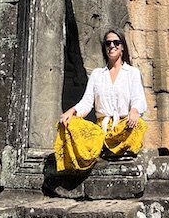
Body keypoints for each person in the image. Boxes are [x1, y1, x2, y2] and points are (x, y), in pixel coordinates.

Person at [54, 28, 147, 172]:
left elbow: (138, 99)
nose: (112, 46)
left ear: (122, 47)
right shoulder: (97, 74)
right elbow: (86, 103)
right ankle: (101, 146)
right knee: (68, 123)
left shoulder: (132, 73)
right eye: (108, 43)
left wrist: (134, 110)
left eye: (116, 43)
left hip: (122, 127)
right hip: (100, 130)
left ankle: (115, 147)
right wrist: (71, 112)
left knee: (139, 125)